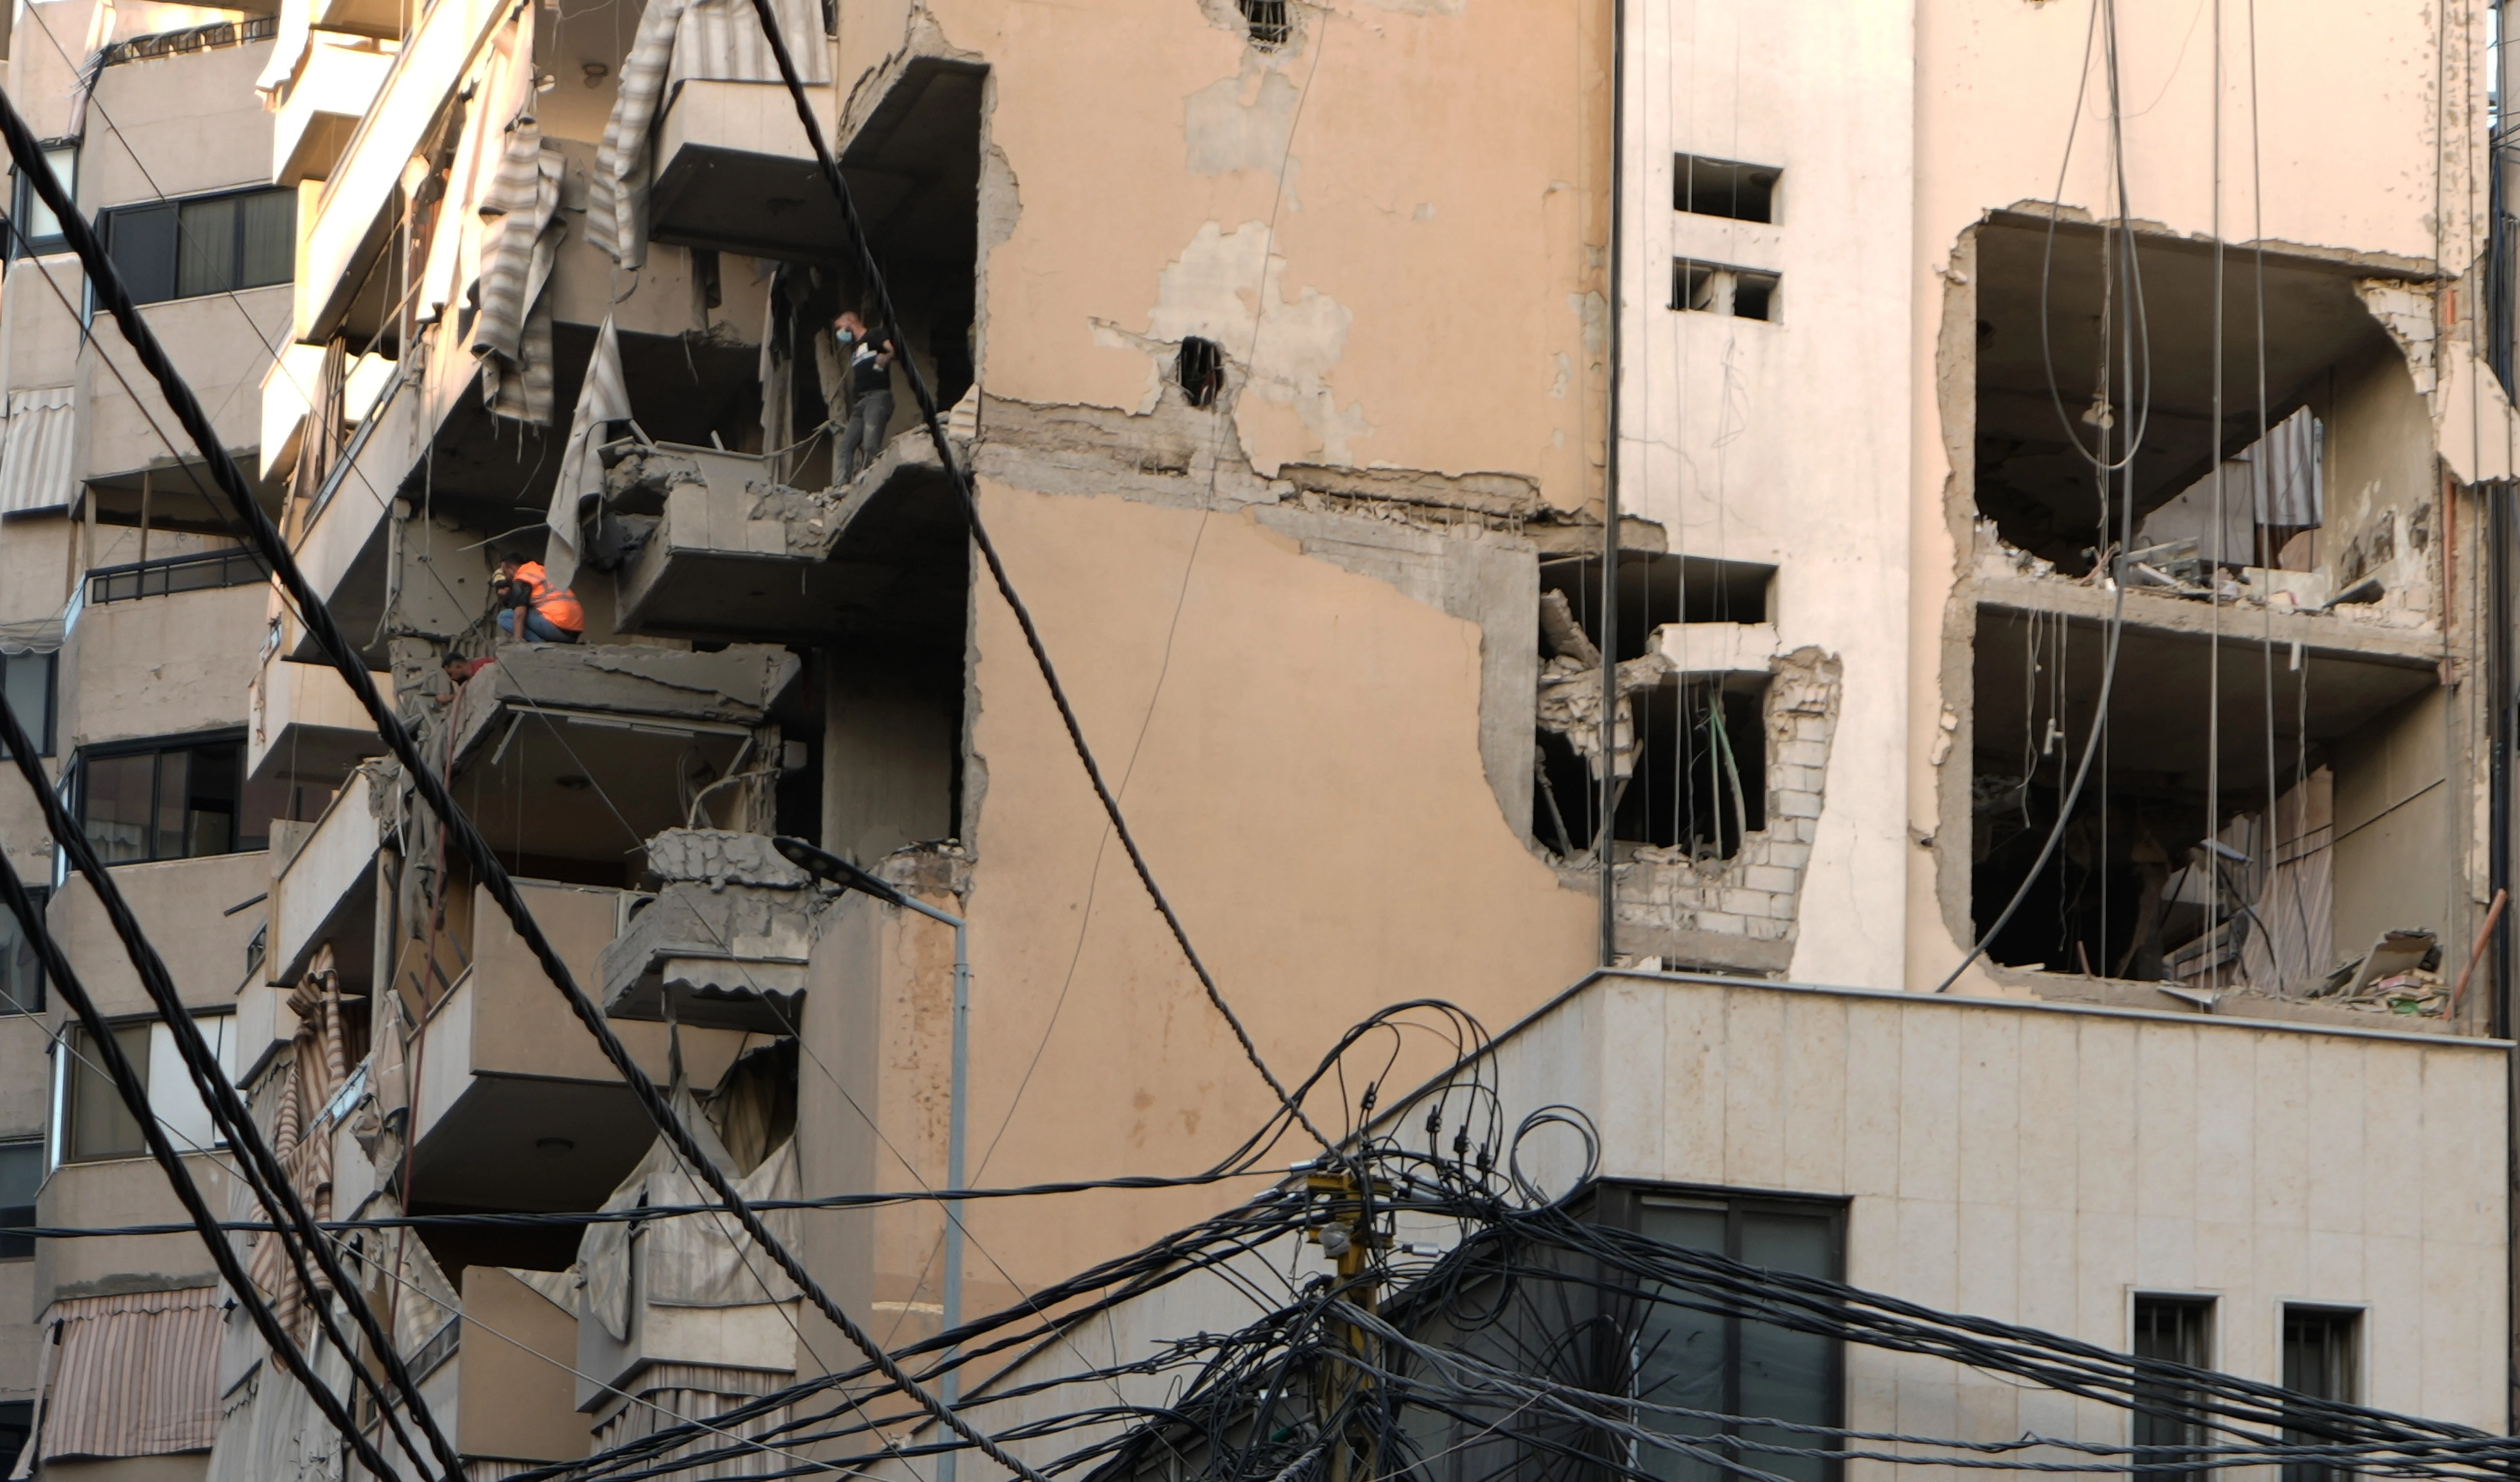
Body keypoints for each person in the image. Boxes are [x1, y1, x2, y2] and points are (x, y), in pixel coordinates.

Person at [832, 310, 895, 483]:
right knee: (846, 446)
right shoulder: (855, 348)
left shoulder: (875, 334)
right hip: (860, 402)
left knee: (870, 444)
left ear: (851, 321)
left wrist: (887, 356)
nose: (840, 333)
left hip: (877, 397)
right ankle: (841, 487)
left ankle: (869, 482)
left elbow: (892, 350)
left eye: (841, 328)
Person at [494, 555, 584, 643]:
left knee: (505, 617)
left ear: (509, 567)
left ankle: (539, 643)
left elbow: (520, 613)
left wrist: (517, 640)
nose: (507, 577)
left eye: (505, 572)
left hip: (559, 629)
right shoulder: (540, 571)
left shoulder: (523, 578)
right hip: (574, 633)